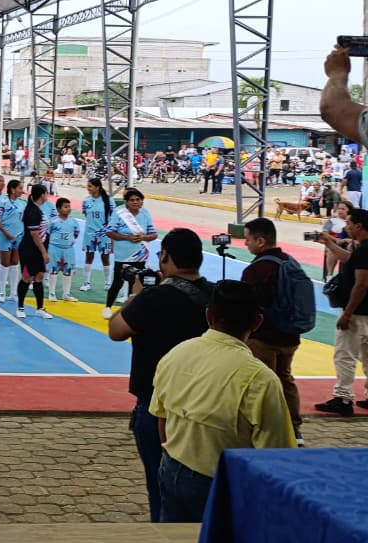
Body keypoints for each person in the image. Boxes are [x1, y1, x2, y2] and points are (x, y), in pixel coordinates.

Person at [150, 280, 296, 523]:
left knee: (174, 540)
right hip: (222, 483)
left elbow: (161, 418)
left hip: (172, 466)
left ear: (208, 315)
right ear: (257, 322)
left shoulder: (176, 354)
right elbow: (275, 454)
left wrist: (172, 456)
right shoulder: (260, 378)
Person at [106, 228, 213, 522]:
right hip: (205, 401)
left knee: (159, 483)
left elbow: (116, 330)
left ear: (165, 256)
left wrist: (136, 295)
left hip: (156, 403)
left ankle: (165, 534)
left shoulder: (152, 298)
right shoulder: (215, 295)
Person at [240, 218, 314, 444]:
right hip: (290, 336)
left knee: (262, 384)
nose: (245, 243)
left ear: (261, 241)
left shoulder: (256, 270)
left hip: (264, 338)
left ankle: (265, 430)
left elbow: (247, 306)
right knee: (285, 379)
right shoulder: (290, 262)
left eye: (248, 239)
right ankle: (294, 429)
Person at [314, 207, 368, 416]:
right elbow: (349, 259)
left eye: (349, 224)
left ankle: (343, 398)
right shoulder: (361, 250)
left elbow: (361, 284)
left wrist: (347, 313)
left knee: (345, 355)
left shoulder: (363, 251)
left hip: (357, 313)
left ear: (359, 226)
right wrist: (329, 243)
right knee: (366, 356)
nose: (347, 227)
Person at [101, 188, 158, 319]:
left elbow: (153, 234)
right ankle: (108, 307)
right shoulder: (119, 213)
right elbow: (109, 232)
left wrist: (143, 237)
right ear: (126, 202)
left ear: (142, 201)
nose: (135, 202)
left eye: (138, 200)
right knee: (118, 281)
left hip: (141, 254)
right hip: (123, 254)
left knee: (136, 282)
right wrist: (127, 238)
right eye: (132, 200)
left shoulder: (145, 213)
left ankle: (130, 309)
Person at [16, 184, 53, 320]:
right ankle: (20, 307)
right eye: (46, 193)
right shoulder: (32, 211)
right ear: (42, 194)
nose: (47, 195)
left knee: (39, 276)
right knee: (27, 277)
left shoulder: (38, 209)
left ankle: (39, 308)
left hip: (38, 249)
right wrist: (44, 252)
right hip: (29, 250)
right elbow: (34, 234)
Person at [0, 177, 25, 303]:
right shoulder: (3, 201)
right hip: (5, 237)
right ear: (13, 189)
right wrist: (5, 232)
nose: (22, 191)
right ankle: (2, 292)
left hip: (18, 237)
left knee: (15, 262)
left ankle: (14, 293)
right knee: (5, 263)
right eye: (20, 188)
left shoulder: (22, 203)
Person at [80, 178, 114, 294]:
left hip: (104, 234)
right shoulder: (86, 201)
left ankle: (108, 283)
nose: (88, 188)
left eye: (90, 186)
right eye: (88, 186)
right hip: (90, 234)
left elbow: (113, 217)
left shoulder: (109, 201)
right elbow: (86, 215)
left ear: (97, 187)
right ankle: (86, 283)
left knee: (105, 257)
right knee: (89, 256)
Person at [45, 198, 82, 301]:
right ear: (58, 209)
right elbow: (48, 233)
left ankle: (66, 294)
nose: (68, 209)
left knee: (68, 271)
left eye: (69, 206)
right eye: (65, 207)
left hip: (68, 249)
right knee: (53, 270)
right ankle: (52, 293)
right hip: (54, 248)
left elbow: (76, 234)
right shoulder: (53, 221)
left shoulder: (73, 221)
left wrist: (69, 242)